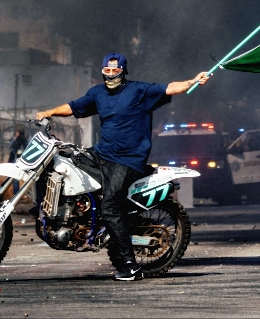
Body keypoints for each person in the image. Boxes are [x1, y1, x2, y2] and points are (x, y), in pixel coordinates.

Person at [35, 52, 210, 281]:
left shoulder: (139, 91)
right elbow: (74, 107)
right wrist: (49, 112)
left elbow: (169, 88)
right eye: (106, 71)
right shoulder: (98, 93)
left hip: (128, 160)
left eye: (115, 71)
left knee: (110, 206)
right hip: (101, 154)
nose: (110, 75)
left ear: (123, 71)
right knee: (66, 165)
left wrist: (192, 81)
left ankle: (131, 266)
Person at [7, 128, 28, 196]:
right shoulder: (15, 140)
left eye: (19, 133)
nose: (17, 134)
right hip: (14, 160)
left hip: (22, 160)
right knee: (14, 177)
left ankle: (24, 193)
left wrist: (24, 138)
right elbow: (10, 146)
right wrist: (15, 138)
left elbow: (26, 148)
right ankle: (16, 194)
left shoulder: (25, 140)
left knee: (27, 177)